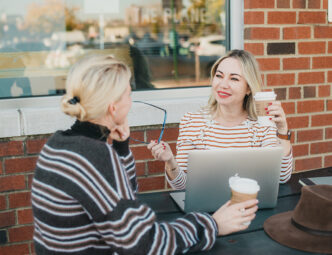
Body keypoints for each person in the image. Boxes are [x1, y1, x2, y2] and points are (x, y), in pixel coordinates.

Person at [31, 54, 258, 254]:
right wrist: (213, 224)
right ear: (113, 107)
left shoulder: (59, 144)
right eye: (129, 95)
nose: (131, 102)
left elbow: (124, 200)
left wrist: (121, 146)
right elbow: (145, 243)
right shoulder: (94, 157)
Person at [148, 49, 293, 190]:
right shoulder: (192, 122)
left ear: (248, 88)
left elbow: (281, 177)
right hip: (208, 212)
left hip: (249, 207)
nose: (223, 84)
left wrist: (282, 131)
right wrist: (170, 161)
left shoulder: (262, 125)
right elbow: (182, 186)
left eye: (234, 78)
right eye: (219, 76)